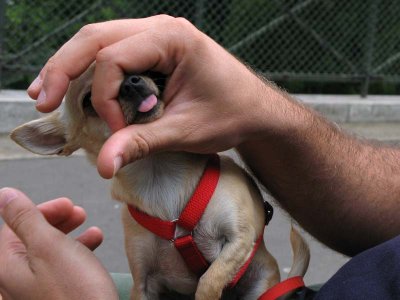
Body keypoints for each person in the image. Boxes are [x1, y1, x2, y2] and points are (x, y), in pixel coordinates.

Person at [1, 15, 400, 299]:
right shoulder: (136, 218)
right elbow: (147, 287)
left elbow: (244, 237)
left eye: (132, 73)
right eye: (91, 101)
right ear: (65, 140)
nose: (128, 87)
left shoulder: (217, 179)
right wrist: (260, 112)